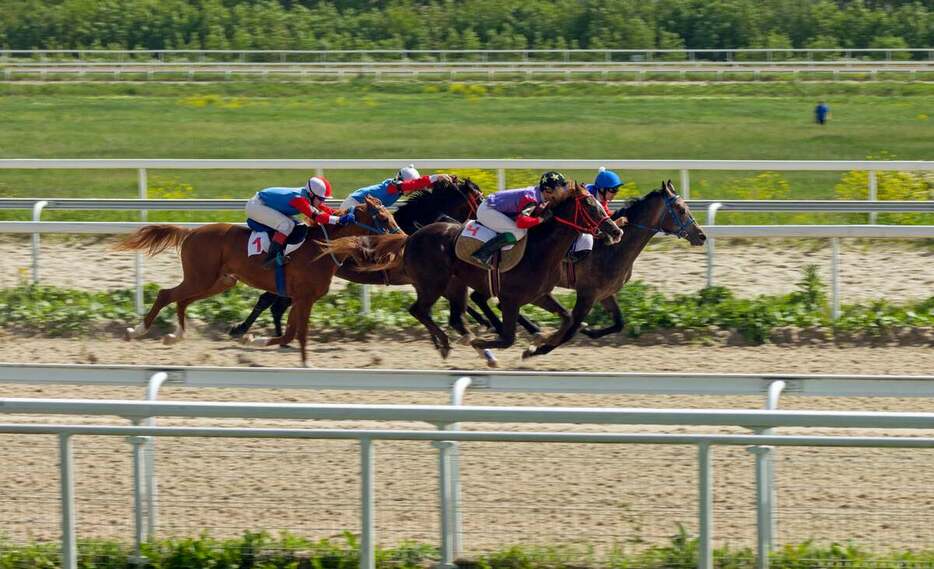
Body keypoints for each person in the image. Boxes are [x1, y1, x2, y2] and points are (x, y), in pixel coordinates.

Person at [245, 176, 355, 268]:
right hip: (256, 206)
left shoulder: (308, 196)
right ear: (312, 195)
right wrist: (339, 220)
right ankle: (271, 258)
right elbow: (317, 216)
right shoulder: (298, 199)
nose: (323, 201)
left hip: (266, 204)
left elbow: (323, 208)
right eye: (321, 199)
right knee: (286, 225)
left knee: (297, 226)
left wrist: (341, 213)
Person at [470, 171, 567, 266]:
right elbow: (521, 222)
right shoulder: (532, 199)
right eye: (560, 189)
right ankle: (482, 253)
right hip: (487, 211)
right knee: (519, 232)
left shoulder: (538, 195)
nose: (563, 191)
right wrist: (541, 219)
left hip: (493, 206)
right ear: (548, 191)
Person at [340, 164, 454, 210]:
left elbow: (420, 186)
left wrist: (446, 180)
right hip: (354, 203)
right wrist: (434, 177)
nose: (413, 191)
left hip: (365, 208)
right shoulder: (393, 186)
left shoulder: (400, 188)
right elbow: (412, 185)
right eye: (412, 188)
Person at [569, 167, 624, 262]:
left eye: (617, 190)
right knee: (587, 239)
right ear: (602, 189)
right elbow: (591, 224)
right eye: (613, 190)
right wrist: (615, 223)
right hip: (572, 226)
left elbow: (604, 214)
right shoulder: (590, 199)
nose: (615, 193)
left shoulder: (600, 196)